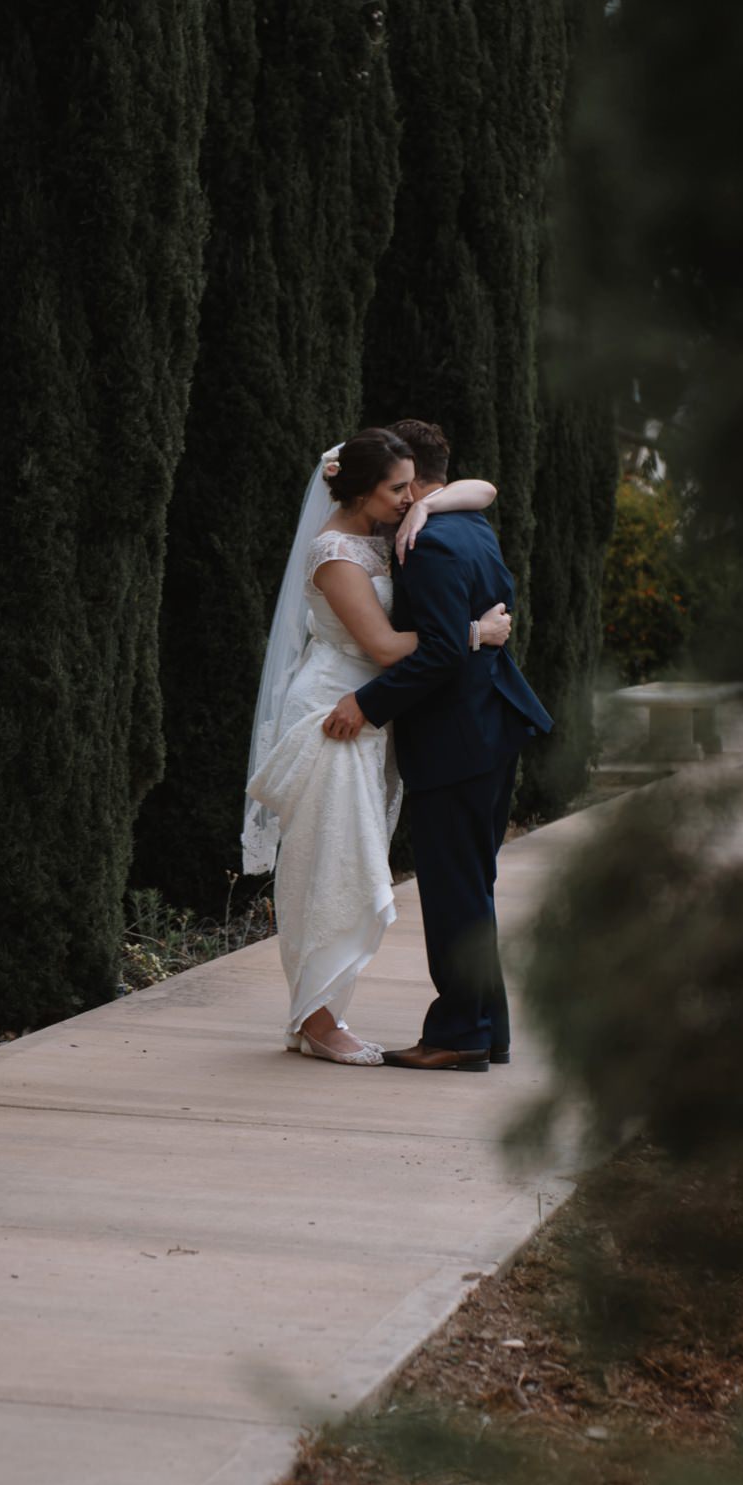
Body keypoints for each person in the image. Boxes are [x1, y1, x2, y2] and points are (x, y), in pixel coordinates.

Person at [243, 428, 509, 1064]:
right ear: (362, 492)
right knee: (331, 868)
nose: (406, 497)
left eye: (411, 486)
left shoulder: (390, 526)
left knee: (352, 863)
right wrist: (473, 632)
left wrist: (427, 505)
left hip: (370, 723)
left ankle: (324, 1014)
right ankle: (317, 1019)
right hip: (335, 717)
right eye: (397, 489)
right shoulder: (336, 552)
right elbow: (385, 649)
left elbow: (483, 489)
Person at [321, 419, 552, 1070]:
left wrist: (366, 706)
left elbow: (443, 651)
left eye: (402, 486)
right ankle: (487, 1031)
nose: (397, 500)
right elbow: (480, 494)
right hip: (492, 728)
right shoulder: (467, 524)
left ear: (412, 482)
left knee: (454, 891)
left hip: (456, 739)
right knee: (472, 888)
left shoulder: (423, 541)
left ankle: (457, 1035)